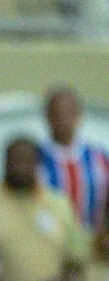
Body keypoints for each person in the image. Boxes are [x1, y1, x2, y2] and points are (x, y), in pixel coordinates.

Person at [0, 137, 91, 281]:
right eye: (15, 161)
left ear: (37, 165)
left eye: (27, 161)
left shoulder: (59, 204)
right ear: (5, 163)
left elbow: (77, 258)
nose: (20, 168)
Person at [37, 85, 109, 237]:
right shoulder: (36, 160)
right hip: (52, 244)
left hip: (94, 244)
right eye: (56, 114)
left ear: (78, 115)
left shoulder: (100, 158)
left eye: (68, 113)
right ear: (47, 117)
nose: (63, 120)